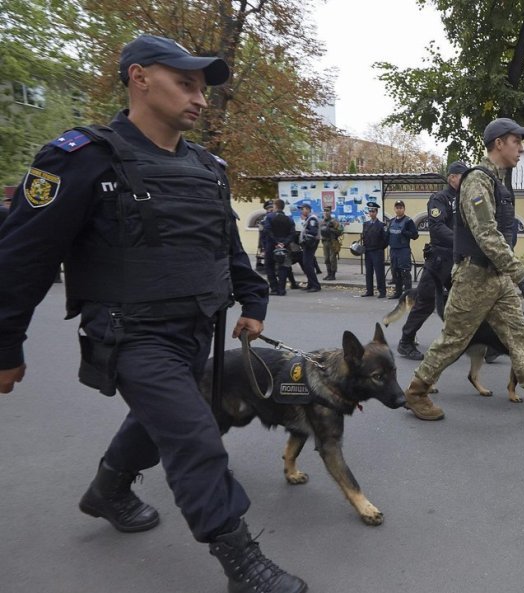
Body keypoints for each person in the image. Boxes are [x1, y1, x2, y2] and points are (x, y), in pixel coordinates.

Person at [0, 34, 306, 593]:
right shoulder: (79, 158)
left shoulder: (209, 168)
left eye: (202, 89)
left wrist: (254, 301)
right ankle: (241, 562)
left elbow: (227, 248)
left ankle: (108, 490)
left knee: (159, 419)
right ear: (139, 78)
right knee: (195, 437)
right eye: (185, 84)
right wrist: (4, 343)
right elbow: (21, 257)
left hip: (197, 331)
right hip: (131, 336)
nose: (200, 98)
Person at [402, 117, 524, 426]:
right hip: (474, 276)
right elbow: (486, 234)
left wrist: (510, 274)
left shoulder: (497, 181)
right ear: (499, 143)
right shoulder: (477, 181)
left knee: (521, 336)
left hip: (497, 279)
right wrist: (520, 274)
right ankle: (416, 392)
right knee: (454, 339)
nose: (521, 148)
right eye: (517, 142)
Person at [397, 161, 467, 360]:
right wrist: (460, 242)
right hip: (440, 259)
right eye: (462, 176)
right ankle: (406, 341)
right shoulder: (439, 198)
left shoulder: (464, 198)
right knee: (426, 301)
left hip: (458, 260)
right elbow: (436, 227)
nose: (465, 181)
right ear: (452, 177)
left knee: (464, 302)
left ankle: (467, 342)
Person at [387, 199, 419, 298]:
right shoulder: (392, 221)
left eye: (400, 208)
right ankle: (398, 293)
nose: (398, 210)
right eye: (397, 208)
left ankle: (408, 295)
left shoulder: (408, 221)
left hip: (403, 250)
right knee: (395, 272)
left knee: (405, 272)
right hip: (393, 250)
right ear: (394, 209)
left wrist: (405, 232)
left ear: (404, 209)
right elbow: (388, 235)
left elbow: (415, 235)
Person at [268, 199, 298, 296]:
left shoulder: (269, 217)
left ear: (275, 206)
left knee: (270, 267)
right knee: (283, 267)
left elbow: (267, 231)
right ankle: (281, 289)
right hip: (286, 246)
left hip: (271, 246)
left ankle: (274, 288)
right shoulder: (289, 219)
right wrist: (284, 243)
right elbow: (292, 233)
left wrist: (276, 242)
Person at [361, 201, 387, 298]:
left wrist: (380, 248)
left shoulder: (381, 225)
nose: (371, 213)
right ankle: (369, 290)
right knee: (369, 272)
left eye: (373, 211)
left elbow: (385, 239)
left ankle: (382, 291)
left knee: (379, 272)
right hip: (368, 251)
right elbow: (364, 237)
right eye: (370, 211)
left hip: (377, 251)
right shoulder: (366, 224)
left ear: (376, 212)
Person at [298, 203, 321, 292]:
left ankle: (315, 285)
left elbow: (313, 232)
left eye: (302, 209)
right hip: (308, 244)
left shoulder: (312, 219)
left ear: (307, 209)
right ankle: (311, 284)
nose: (301, 211)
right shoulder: (309, 218)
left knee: (308, 264)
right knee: (306, 264)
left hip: (310, 244)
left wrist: (304, 239)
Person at [320, 210, 343, 281]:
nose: (326, 213)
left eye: (327, 211)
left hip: (332, 242)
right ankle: (328, 273)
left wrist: (331, 229)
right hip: (325, 242)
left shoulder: (334, 221)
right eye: (324, 211)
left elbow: (340, 231)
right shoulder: (322, 222)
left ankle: (333, 274)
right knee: (326, 258)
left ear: (330, 212)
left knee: (332, 258)